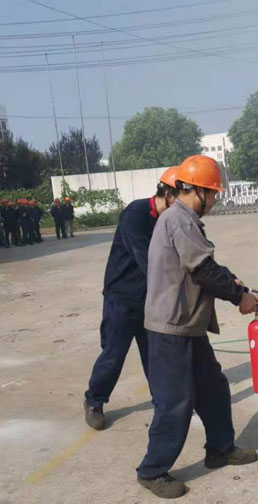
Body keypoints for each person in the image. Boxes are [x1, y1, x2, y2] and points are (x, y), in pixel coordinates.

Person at [137, 155, 258, 499]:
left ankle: (220, 449)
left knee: (213, 389)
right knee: (175, 402)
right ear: (200, 191)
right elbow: (204, 271)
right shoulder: (178, 220)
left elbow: (208, 266)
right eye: (213, 194)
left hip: (188, 326)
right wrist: (239, 297)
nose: (214, 201)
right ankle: (152, 471)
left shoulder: (182, 220)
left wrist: (243, 289)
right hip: (170, 328)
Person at [84, 166, 180, 431]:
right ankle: (94, 400)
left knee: (154, 356)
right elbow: (147, 260)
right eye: (181, 198)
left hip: (149, 300)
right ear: (169, 194)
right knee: (113, 354)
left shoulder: (170, 220)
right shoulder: (136, 214)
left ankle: (162, 401)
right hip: (122, 299)